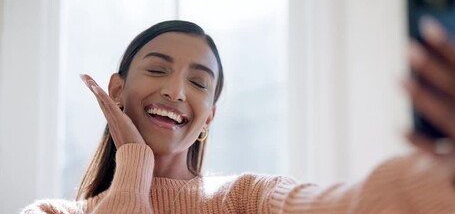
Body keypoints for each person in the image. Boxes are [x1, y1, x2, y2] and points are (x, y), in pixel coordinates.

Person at [22, 19, 455, 214]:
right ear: (117, 91)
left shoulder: (246, 198)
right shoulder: (48, 212)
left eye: (199, 83)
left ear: (208, 116)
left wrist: (445, 176)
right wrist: (134, 160)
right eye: (157, 69)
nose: (176, 90)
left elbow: (359, 206)